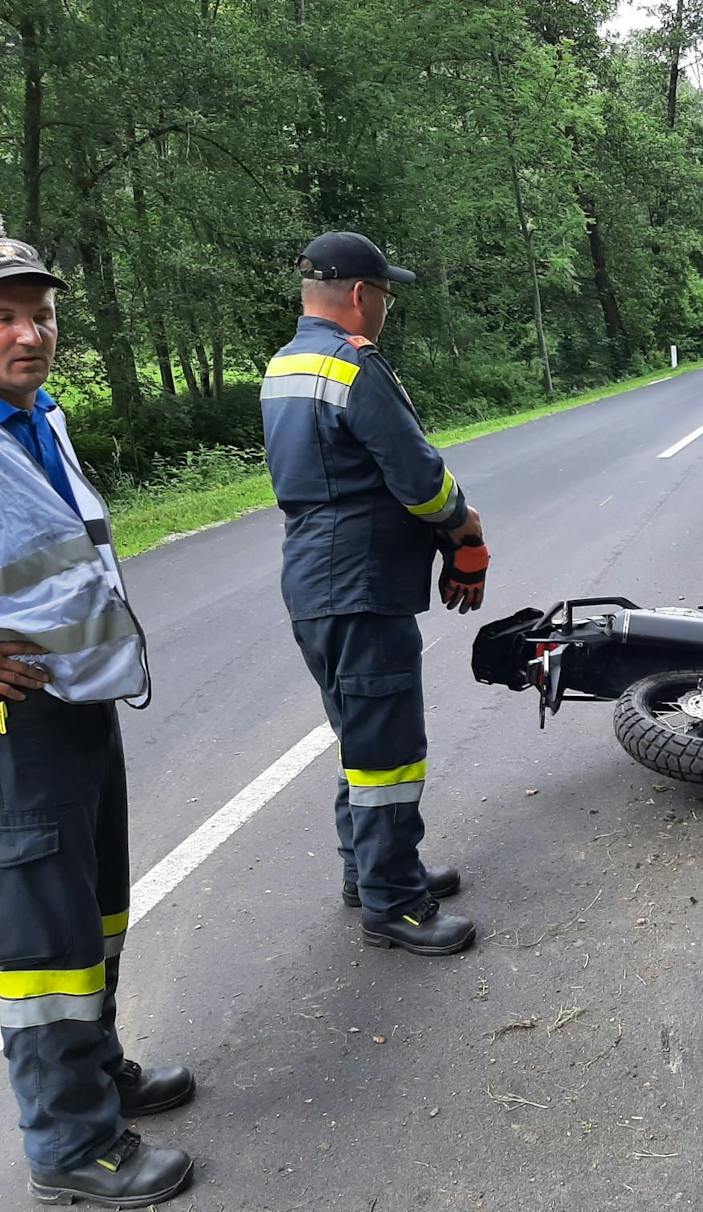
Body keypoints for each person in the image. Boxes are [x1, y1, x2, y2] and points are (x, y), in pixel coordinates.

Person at [0, 233, 195, 1206]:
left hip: (76, 706)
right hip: (14, 739)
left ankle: (97, 1075)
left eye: (39, 314)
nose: (29, 333)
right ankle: (69, 1143)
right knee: (42, 947)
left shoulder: (38, 419)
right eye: (3, 317)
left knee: (96, 918)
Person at [262, 231, 488, 957]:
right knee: (387, 749)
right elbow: (418, 476)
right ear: (360, 295)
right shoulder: (353, 368)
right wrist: (464, 531)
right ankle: (395, 905)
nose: (386, 306)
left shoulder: (285, 364)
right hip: (361, 587)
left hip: (315, 581)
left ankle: (369, 871)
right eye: (385, 293)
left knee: (360, 740)